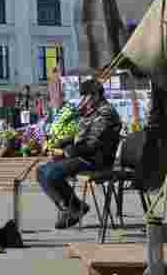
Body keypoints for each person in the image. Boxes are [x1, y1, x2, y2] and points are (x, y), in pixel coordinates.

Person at [37, 78, 123, 229]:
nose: (82, 100)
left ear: (95, 95)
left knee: (50, 173)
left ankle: (73, 209)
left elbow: (92, 144)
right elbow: (78, 136)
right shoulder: (90, 112)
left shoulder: (105, 113)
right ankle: (73, 207)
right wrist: (59, 142)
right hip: (82, 156)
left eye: (85, 96)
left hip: (95, 160)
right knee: (41, 171)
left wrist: (65, 153)